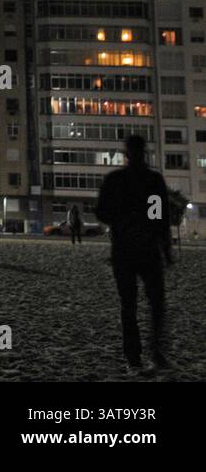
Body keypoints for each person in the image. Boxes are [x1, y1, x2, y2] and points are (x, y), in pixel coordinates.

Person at [95, 135, 173, 372]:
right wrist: (164, 246)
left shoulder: (117, 180)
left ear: (126, 153)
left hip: (126, 251)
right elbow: (160, 216)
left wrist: (122, 220)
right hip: (145, 249)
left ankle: (135, 356)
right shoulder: (152, 180)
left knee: (130, 306)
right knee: (153, 304)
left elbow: (102, 212)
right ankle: (153, 352)